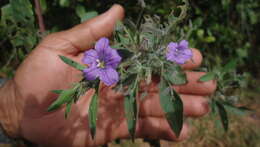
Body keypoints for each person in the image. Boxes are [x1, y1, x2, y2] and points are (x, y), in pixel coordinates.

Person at [0, 5, 216, 147]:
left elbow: (105, 61)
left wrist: (11, 110)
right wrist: (11, 110)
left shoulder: (106, 58)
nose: (100, 63)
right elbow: (104, 64)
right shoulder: (105, 64)